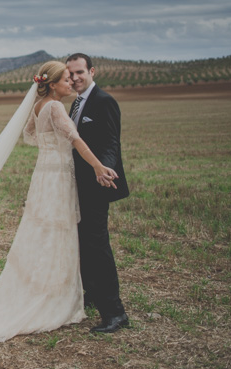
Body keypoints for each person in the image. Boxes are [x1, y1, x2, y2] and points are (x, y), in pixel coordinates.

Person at [0, 60, 118, 343]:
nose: (71, 83)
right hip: (57, 178)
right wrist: (97, 166)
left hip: (43, 176)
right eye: (66, 79)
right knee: (58, 234)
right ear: (53, 84)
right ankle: (52, 298)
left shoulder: (38, 105)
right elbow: (76, 140)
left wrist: (50, 145)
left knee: (40, 232)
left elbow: (29, 135)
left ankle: (47, 289)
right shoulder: (56, 106)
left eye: (73, 78)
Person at [66, 53, 130, 334]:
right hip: (77, 187)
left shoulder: (104, 101)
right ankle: (91, 296)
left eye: (80, 72)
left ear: (92, 71)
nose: (75, 78)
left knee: (97, 247)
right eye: (71, 74)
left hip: (96, 186)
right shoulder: (76, 103)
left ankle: (115, 313)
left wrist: (105, 169)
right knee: (83, 244)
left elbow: (111, 141)